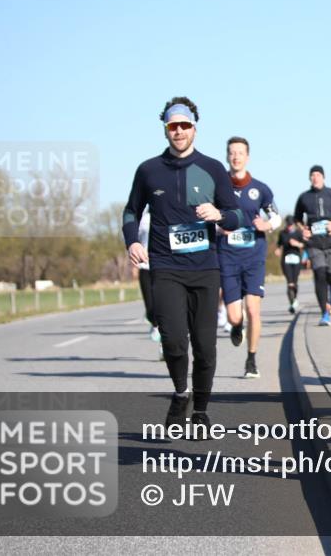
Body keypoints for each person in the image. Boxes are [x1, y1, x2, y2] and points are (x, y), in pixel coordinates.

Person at [123, 97, 243, 430]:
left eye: (184, 126)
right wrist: (132, 240)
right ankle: (180, 392)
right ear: (165, 128)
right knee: (174, 341)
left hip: (205, 269)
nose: (178, 131)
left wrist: (220, 214)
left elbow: (237, 216)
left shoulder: (213, 169)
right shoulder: (149, 170)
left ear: (194, 128)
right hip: (165, 267)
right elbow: (132, 211)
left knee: (205, 347)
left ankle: (201, 410)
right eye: (172, 126)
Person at [217, 137, 282, 380]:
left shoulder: (260, 189)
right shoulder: (217, 187)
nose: (236, 156)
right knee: (235, 315)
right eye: (232, 152)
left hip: (254, 256)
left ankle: (251, 359)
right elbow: (203, 215)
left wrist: (267, 225)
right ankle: (236, 325)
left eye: (240, 152)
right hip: (227, 256)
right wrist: (217, 228)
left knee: (253, 310)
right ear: (227, 156)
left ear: (247, 157)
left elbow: (276, 216)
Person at [293, 165, 331, 327]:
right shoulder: (304, 197)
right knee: (319, 275)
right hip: (314, 243)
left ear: (323, 177)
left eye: (318, 174)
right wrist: (302, 229)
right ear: (309, 178)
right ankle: (324, 313)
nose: (315, 177)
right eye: (312, 175)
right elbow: (297, 218)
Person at [136, 207, 162, 359]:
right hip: (145, 267)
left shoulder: (169, 213)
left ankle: (164, 346)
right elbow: (136, 239)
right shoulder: (144, 219)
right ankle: (154, 322)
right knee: (151, 308)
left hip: (164, 267)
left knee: (164, 307)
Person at [275, 216, 304, 314]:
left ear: (294, 225)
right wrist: (278, 250)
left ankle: (295, 298)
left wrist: (297, 244)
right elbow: (279, 244)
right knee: (289, 283)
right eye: (288, 225)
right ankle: (292, 304)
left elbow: (304, 245)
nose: (289, 227)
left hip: (296, 259)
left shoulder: (298, 233)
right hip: (286, 259)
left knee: (295, 282)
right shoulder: (282, 233)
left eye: (291, 225)